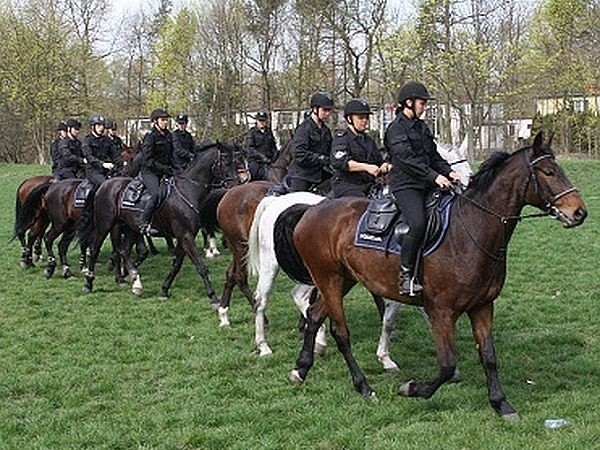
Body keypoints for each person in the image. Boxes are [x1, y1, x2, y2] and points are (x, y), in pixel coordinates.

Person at [384, 81, 461, 296]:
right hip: (405, 185)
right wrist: (435, 176)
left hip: (427, 182)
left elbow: (433, 156)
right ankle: (406, 275)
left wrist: (448, 172)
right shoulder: (395, 129)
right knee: (417, 223)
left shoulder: (422, 127)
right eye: (422, 102)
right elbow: (407, 160)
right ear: (409, 102)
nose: (424, 106)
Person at [330, 98, 390, 198]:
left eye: (366, 118)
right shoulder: (342, 139)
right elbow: (340, 162)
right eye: (360, 118)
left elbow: (379, 160)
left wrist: (385, 165)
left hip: (368, 185)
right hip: (348, 185)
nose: (365, 121)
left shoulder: (369, 141)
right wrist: (366, 167)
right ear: (349, 119)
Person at [286, 91, 334, 192]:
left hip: (321, 173)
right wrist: (320, 158)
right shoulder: (303, 129)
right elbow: (299, 154)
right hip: (302, 175)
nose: (328, 113)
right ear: (315, 109)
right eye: (325, 110)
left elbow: (331, 150)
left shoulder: (326, 131)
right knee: (297, 205)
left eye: (329, 110)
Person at [138, 108, 174, 235]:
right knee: (156, 195)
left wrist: (177, 169)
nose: (165, 122)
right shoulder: (150, 137)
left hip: (165, 171)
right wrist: (165, 168)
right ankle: (144, 223)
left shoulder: (169, 135)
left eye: (166, 120)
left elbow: (172, 155)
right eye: (163, 120)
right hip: (150, 172)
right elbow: (147, 160)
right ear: (155, 122)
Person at [81, 115, 120, 188]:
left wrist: (121, 162)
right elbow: (89, 157)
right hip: (93, 171)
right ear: (93, 127)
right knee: (105, 185)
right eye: (99, 125)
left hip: (107, 170)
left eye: (102, 125)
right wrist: (103, 164)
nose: (101, 127)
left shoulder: (107, 140)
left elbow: (114, 154)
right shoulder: (87, 141)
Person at [245, 108, 278, 181]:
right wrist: (262, 157)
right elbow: (251, 149)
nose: (262, 122)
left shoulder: (269, 132)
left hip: (269, 161)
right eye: (260, 120)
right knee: (253, 173)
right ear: (257, 121)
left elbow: (273, 146)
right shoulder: (252, 133)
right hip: (256, 161)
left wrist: (275, 155)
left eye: (263, 120)